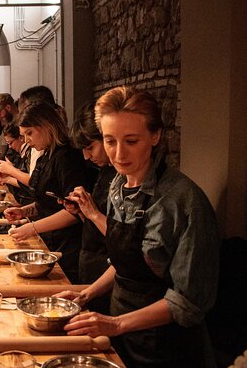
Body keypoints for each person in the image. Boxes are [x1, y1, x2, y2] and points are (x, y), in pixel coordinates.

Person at [57, 86, 220, 367]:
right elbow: (127, 263)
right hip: (123, 332)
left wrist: (117, 324)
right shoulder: (118, 187)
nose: (118, 154)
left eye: (131, 141)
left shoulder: (184, 202)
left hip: (166, 347)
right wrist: (88, 293)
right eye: (110, 141)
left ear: (155, 136)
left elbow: (188, 303)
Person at [2, 102, 87, 283]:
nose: (26, 141)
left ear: (47, 126)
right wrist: (25, 211)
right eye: (24, 135)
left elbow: (74, 212)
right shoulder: (47, 153)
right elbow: (47, 201)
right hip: (49, 241)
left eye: (30, 133)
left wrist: (32, 228)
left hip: (67, 245)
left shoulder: (67, 157)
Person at [63, 101, 117, 312]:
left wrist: (92, 213)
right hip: (90, 267)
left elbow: (125, 246)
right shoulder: (105, 170)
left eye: (89, 148)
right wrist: (82, 211)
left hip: (107, 273)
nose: (86, 156)